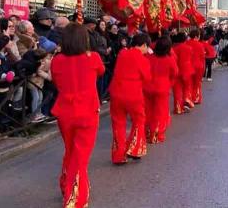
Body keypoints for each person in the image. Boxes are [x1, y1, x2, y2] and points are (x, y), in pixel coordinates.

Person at [50, 23, 105, 208]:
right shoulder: (93, 57)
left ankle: (67, 185)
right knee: (80, 155)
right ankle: (74, 199)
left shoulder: (56, 60)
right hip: (87, 111)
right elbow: (101, 72)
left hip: (65, 111)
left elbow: (56, 80)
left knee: (71, 151)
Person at [109, 34, 151, 164]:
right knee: (139, 120)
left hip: (116, 93)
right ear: (143, 45)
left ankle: (119, 155)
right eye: (146, 47)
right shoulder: (142, 59)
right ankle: (134, 148)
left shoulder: (122, 53)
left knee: (118, 123)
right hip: (133, 94)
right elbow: (147, 78)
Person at [144, 35, 178, 144]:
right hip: (162, 88)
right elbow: (175, 73)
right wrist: (169, 84)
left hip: (148, 87)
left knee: (148, 110)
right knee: (160, 112)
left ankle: (147, 131)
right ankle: (156, 134)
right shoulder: (170, 60)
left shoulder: (148, 58)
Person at [172, 32, 194, 114]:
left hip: (177, 70)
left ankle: (178, 108)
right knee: (187, 87)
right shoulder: (189, 48)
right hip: (187, 69)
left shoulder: (174, 48)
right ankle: (186, 101)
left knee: (177, 90)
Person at [186, 30, 206, 104]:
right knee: (197, 83)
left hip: (189, 66)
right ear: (196, 36)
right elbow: (202, 58)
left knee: (189, 83)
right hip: (198, 66)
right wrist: (203, 69)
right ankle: (196, 98)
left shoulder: (186, 43)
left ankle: (189, 98)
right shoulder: (200, 45)